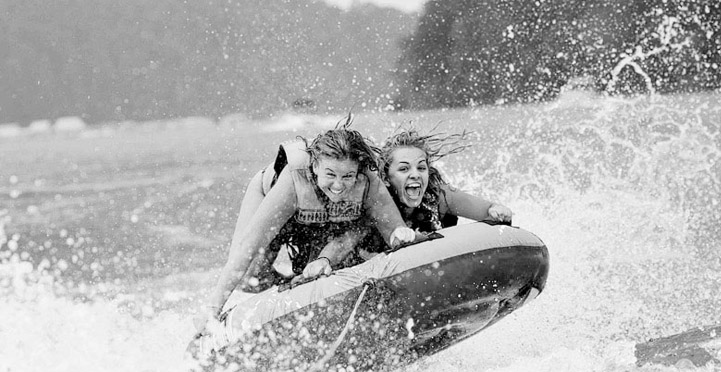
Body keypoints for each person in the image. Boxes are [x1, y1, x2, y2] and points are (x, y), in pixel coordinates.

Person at [201, 117, 415, 326]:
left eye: (348, 176)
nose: (339, 185)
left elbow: (394, 231)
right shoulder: (294, 180)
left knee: (322, 268)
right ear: (315, 167)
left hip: (325, 217)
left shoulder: (368, 181)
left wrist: (400, 235)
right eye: (330, 174)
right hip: (272, 200)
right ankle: (283, 288)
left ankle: (303, 283)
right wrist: (213, 309)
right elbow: (248, 245)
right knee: (251, 277)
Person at [341, 127, 513, 259]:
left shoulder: (441, 197)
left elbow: (488, 212)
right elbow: (347, 241)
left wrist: (496, 210)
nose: (415, 174)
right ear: (386, 178)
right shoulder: (376, 203)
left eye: (421, 168)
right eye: (404, 168)